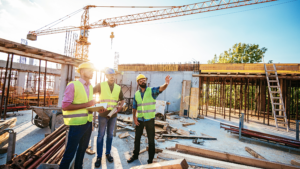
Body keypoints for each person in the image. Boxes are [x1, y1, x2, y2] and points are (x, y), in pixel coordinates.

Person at [60, 62, 106, 169]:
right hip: (76, 125)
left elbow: (87, 106)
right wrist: (88, 104)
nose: (92, 72)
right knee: (70, 153)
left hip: (87, 123)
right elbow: (65, 106)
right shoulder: (73, 85)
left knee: (82, 150)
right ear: (82, 71)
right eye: (90, 70)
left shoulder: (90, 87)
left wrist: (97, 109)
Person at [127, 74, 172, 164]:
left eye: (144, 80)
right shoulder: (136, 94)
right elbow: (134, 107)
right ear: (138, 83)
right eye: (141, 80)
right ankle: (135, 155)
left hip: (149, 120)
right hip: (140, 119)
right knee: (137, 139)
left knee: (151, 141)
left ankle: (150, 160)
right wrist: (134, 118)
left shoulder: (151, 91)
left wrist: (166, 84)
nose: (143, 81)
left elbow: (161, 88)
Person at [93, 68, 125, 168]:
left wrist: (120, 106)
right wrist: (96, 106)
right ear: (106, 76)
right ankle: (98, 157)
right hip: (103, 114)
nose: (112, 76)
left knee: (110, 135)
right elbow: (90, 93)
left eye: (113, 75)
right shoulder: (101, 85)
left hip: (113, 115)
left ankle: (108, 153)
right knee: (100, 135)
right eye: (110, 75)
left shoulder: (117, 87)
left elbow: (122, 100)